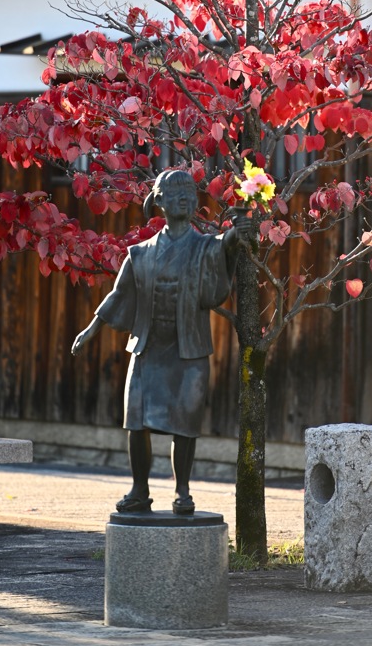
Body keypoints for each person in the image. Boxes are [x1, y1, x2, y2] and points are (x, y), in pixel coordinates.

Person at [72, 168, 250, 516]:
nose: (183, 197)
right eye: (174, 192)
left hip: (189, 348)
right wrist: (91, 329)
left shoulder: (203, 246)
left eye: (188, 191)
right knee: (136, 420)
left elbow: (219, 251)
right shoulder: (139, 254)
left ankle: (183, 491)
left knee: (185, 420)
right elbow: (118, 295)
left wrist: (232, 239)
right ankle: (140, 489)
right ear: (159, 201)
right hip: (148, 347)